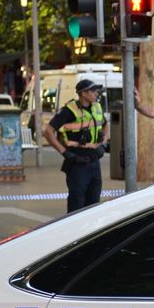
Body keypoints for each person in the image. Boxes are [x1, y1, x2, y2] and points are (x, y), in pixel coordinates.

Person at [44, 79, 109, 213]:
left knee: (93, 204)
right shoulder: (69, 110)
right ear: (84, 93)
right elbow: (48, 132)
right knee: (77, 205)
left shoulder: (97, 107)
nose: (97, 93)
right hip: (77, 162)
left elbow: (105, 125)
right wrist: (66, 154)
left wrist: (103, 144)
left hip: (94, 162)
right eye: (93, 91)